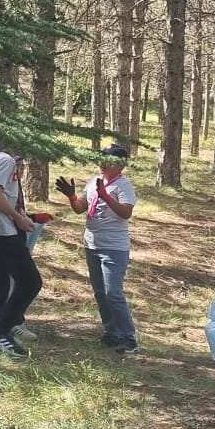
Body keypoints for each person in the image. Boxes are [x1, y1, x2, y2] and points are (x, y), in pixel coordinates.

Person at [56, 143, 138, 352]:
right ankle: (112, 332)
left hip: (114, 247)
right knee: (100, 292)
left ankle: (129, 338)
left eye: (109, 161)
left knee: (113, 293)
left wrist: (106, 196)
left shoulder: (124, 186)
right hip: (92, 244)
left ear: (120, 166)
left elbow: (126, 213)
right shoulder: (94, 182)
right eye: (101, 160)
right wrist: (72, 196)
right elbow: (80, 208)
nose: (102, 164)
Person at [0, 143, 41, 358]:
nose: (20, 166)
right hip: (1, 232)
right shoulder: (5, 161)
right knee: (30, 281)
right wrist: (18, 217)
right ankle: (0, 330)